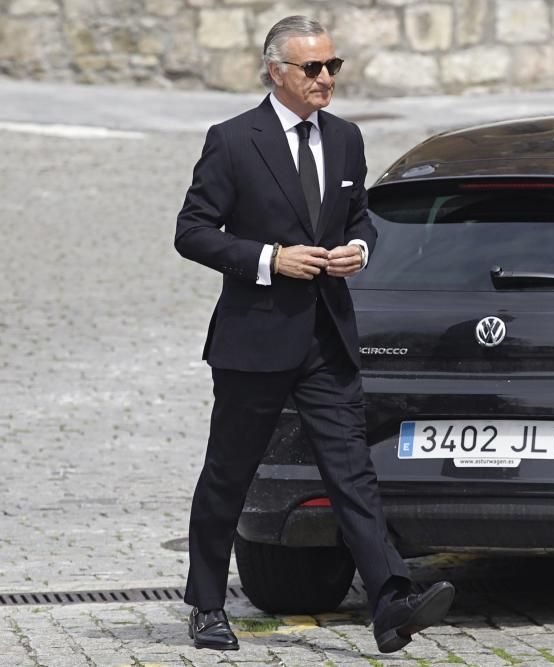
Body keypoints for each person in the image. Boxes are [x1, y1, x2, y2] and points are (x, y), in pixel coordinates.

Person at [174, 15, 454, 654]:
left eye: (333, 66)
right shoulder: (232, 140)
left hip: (327, 337)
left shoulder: (348, 139)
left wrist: (358, 246)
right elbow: (193, 230)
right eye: (313, 68)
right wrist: (272, 259)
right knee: (230, 474)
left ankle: (391, 603)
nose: (326, 78)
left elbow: (361, 219)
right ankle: (207, 604)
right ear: (277, 72)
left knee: (352, 473)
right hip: (255, 339)